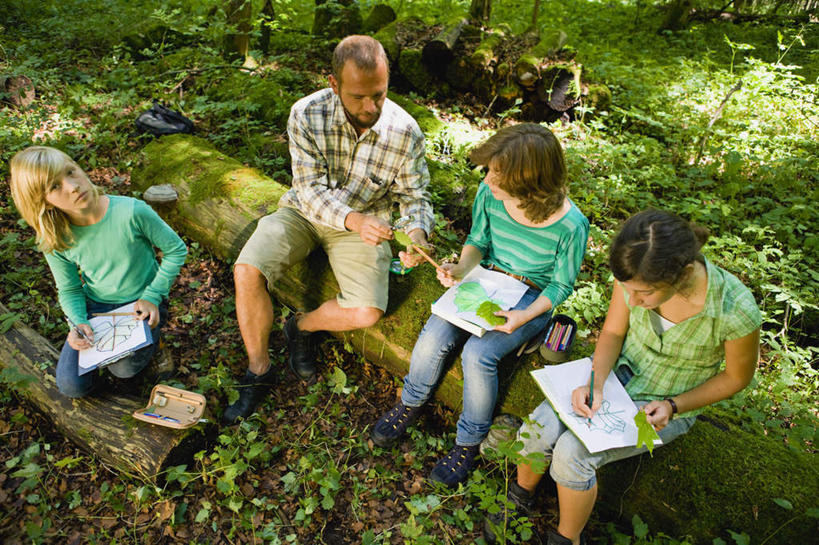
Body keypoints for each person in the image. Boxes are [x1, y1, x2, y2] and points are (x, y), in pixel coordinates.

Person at [484, 209, 762, 545]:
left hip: (666, 403)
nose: (632, 300)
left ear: (683, 274)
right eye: (627, 290)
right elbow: (614, 331)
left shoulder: (734, 310)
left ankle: (567, 538)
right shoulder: (636, 270)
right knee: (537, 428)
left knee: (573, 454)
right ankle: (519, 496)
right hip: (616, 375)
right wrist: (596, 380)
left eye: (643, 294)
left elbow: (736, 377)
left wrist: (674, 406)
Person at [223, 35, 434, 424]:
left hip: (364, 227)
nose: (371, 107)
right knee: (247, 269)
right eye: (358, 97)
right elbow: (308, 190)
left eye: (380, 95)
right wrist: (353, 218)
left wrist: (416, 233)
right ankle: (259, 370)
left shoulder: (406, 132)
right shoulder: (306, 113)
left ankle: (300, 328)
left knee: (367, 311)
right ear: (334, 84)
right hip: (305, 213)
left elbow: (415, 198)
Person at [370, 123, 590, 488]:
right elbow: (478, 241)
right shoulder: (489, 195)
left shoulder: (570, 225)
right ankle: (410, 403)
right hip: (487, 280)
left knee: (478, 354)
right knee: (436, 328)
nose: (487, 179)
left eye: (496, 174)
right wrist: (461, 268)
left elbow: (561, 285)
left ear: (529, 181)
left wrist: (524, 316)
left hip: (531, 297)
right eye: (488, 170)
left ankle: (468, 443)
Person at [9, 146, 187, 398]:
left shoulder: (132, 212)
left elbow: (176, 250)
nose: (72, 186)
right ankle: (111, 371)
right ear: (44, 203)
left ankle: (151, 350)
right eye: (54, 187)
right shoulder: (56, 239)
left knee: (124, 369)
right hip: (96, 307)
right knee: (71, 386)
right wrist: (78, 323)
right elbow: (70, 288)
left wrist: (153, 296)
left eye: (70, 172)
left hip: (141, 302)